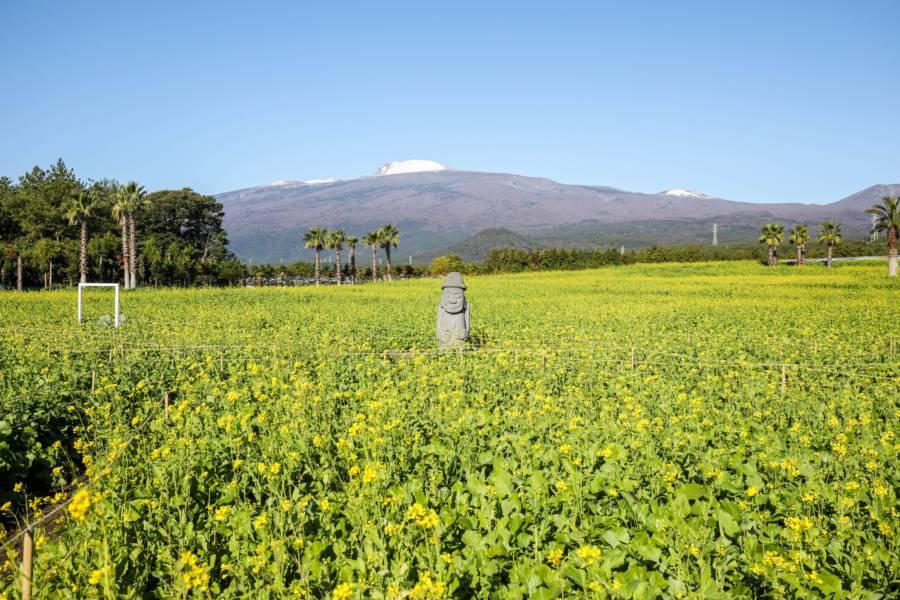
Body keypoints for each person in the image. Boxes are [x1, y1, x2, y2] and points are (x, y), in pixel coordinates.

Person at [436, 272, 470, 347]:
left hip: (460, 347)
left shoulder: (465, 308)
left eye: (458, 297)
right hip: (444, 346)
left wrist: (464, 334)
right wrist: (441, 335)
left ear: (464, 300)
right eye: (448, 296)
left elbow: (467, 330)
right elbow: (438, 330)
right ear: (442, 298)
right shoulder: (441, 309)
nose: (453, 301)